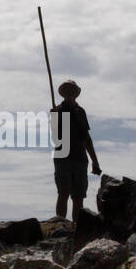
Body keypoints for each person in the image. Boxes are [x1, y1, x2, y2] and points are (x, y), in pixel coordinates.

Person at [50, 79, 101, 221]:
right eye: (67, 91)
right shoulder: (58, 111)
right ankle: (60, 225)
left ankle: (76, 228)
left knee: (78, 196)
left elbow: (86, 138)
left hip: (80, 158)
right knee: (63, 191)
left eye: (71, 91)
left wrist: (94, 161)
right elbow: (55, 135)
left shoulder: (80, 112)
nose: (69, 93)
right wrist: (53, 118)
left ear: (75, 94)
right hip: (63, 157)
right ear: (63, 94)